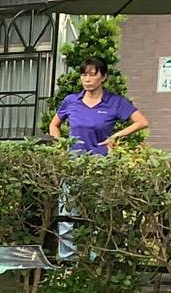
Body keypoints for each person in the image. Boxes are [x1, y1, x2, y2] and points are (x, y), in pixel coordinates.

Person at [48, 58, 149, 261]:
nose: (87, 79)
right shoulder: (71, 100)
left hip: (100, 165)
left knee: (97, 215)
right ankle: (67, 261)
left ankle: (96, 260)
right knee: (68, 213)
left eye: (93, 74)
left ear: (103, 77)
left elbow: (142, 122)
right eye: (84, 74)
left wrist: (115, 137)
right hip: (73, 164)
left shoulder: (114, 102)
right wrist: (60, 146)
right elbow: (54, 125)